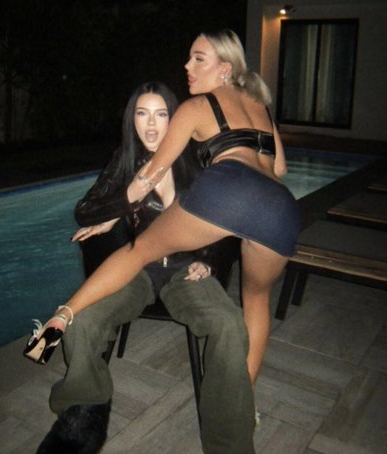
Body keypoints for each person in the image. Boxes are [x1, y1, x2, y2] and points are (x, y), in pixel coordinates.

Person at [33, 82, 255, 454]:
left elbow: (225, 218)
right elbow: (85, 211)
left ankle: (229, 444)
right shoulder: (126, 159)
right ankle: (80, 422)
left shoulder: (195, 158)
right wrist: (127, 197)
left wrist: (209, 259)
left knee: (229, 325)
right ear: (131, 119)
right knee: (82, 322)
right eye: (142, 113)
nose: (151, 125)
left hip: (186, 271)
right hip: (136, 268)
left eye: (160, 114)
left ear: (175, 119)